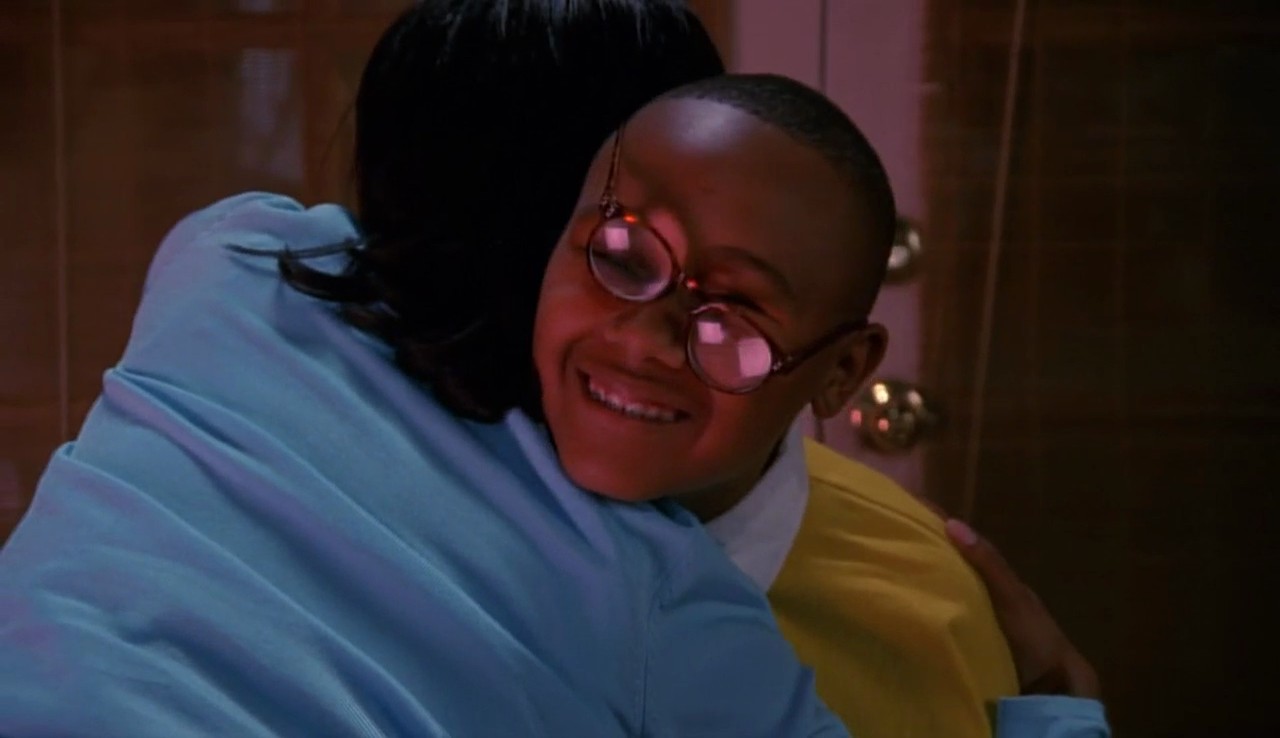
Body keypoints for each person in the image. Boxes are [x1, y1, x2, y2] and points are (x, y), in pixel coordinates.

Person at [0, 3, 1103, 737]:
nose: (649, 335)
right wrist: (1060, 706)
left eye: (734, 308)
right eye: (622, 251)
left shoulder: (227, 254)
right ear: (567, 234)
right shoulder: (654, 593)